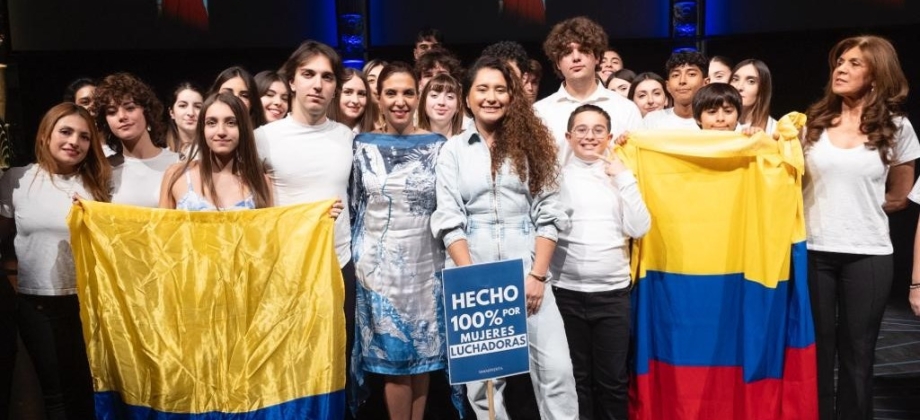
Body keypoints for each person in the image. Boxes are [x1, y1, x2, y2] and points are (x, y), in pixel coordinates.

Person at [431, 55, 578, 420]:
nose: (491, 97)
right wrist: (471, 280)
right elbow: (449, 219)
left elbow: (550, 213)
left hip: (527, 268)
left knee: (556, 371)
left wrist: (538, 274)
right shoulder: (452, 150)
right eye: (482, 89)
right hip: (472, 265)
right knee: (484, 385)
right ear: (467, 98)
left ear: (512, 97)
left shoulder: (533, 146)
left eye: (500, 89)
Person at [801, 35, 920, 420]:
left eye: (854, 63)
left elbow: (901, 194)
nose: (841, 69)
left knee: (858, 355)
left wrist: (857, 208)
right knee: (817, 352)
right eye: (840, 61)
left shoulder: (897, 127)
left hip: (867, 254)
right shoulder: (812, 123)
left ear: (876, 76)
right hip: (814, 251)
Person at [253, 39, 354, 412]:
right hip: (284, 272)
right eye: (308, 74)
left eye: (327, 77)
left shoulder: (347, 138)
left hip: (339, 267)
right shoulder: (263, 138)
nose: (318, 85)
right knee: (287, 370)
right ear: (291, 81)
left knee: (333, 367)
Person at [0, 102, 112, 419]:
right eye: (65, 131)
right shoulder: (17, 180)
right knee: (56, 397)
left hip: (90, 304)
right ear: (46, 134)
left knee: (90, 391)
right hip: (37, 305)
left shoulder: (100, 183)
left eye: (84, 136)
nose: (74, 142)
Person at [350, 61, 448, 420]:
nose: (400, 101)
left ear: (418, 95)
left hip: (427, 265)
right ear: (378, 97)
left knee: (423, 356)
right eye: (391, 93)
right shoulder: (360, 145)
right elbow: (353, 202)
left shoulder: (438, 145)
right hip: (379, 270)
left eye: (408, 92)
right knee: (394, 360)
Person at [551, 104, 650, 420]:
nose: (589, 136)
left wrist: (624, 180)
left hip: (612, 297)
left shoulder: (622, 176)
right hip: (565, 295)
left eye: (597, 130)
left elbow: (639, 227)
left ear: (609, 136)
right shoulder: (556, 179)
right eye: (581, 129)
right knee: (576, 381)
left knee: (613, 382)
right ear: (568, 136)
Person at [534, 16, 642, 164]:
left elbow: (638, 163)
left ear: (597, 57)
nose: (576, 58)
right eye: (566, 53)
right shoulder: (540, 112)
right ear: (558, 63)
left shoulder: (625, 108)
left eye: (583, 50)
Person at [160, 92, 272, 210]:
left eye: (231, 123)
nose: (221, 132)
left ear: (243, 128)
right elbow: (161, 227)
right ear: (202, 129)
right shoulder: (176, 175)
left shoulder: (261, 182)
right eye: (211, 123)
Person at [94, 72, 180, 207]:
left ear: (147, 111)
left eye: (130, 108)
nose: (121, 116)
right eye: (112, 112)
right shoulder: (104, 170)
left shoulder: (178, 163)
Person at [642, 50, 709, 130]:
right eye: (675, 75)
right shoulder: (652, 121)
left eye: (691, 74)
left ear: (706, 83)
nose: (682, 81)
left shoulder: (716, 122)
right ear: (668, 86)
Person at [730, 59, 777, 134]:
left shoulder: (775, 130)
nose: (739, 87)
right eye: (735, 79)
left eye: (751, 81)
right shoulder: (719, 124)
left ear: (762, 88)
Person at [327, 68, 378, 133]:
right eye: (348, 92)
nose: (355, 100)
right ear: (335, 94)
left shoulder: (376, 134)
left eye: (361, 94)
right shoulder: (319, 133)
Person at [165, 81, 204, 160]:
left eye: (197, 107)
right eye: (183, 106)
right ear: (172, 112)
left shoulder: (212, 154)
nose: (191, 113)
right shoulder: (164, 156)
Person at [418, 73, 464, 138]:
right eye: (434, 95)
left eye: (450, 97)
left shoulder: (468, 141)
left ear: (458, 106)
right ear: (424, 102)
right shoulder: (411, 141)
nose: (441, 102)